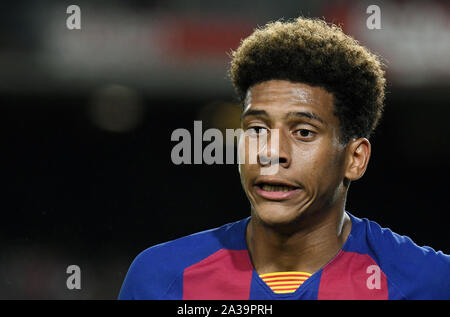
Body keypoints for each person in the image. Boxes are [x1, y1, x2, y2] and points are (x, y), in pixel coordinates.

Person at [118, 17, 450, 300]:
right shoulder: (161, 280)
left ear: (355, 158)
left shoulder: (429, 283)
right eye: (257, 128)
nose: (271, 152)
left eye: (303, 132)